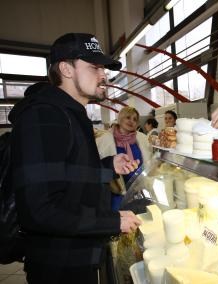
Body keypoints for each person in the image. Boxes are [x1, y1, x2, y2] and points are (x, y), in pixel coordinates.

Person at [8, 33, 141, 283]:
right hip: (59, 266)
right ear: (66, 69)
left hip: (79, 256)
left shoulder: (71, 113)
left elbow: (66, 174)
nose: (104, 75)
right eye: (95, 67)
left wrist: (107, 167)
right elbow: (39, 211)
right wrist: (110, 222)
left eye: (103, 68)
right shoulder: (45, 116)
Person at [96, 106, 153, 211]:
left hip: (140, 191)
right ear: (120, 118)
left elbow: (150, 162)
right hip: (116, 193)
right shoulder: (104, 140)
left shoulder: (142, 139)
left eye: (135, 119)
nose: (131, 121)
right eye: (128, 117)